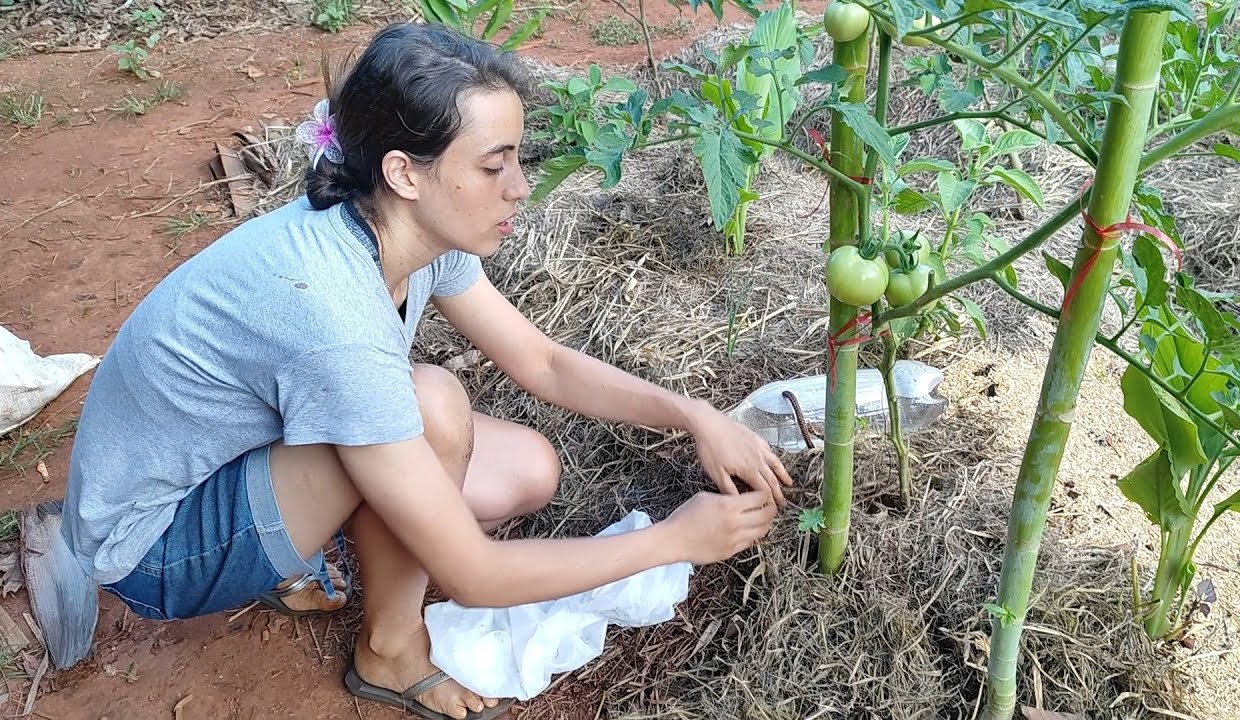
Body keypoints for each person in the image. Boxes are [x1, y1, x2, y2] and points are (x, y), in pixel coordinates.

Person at [60, 20, 791, 720]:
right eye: (492, 166)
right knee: (433, 403)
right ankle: (389, 651)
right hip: (159, 547)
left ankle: (325, 545)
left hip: (227, 457)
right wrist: (673, 540)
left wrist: (696, 414)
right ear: (406, 173)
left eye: (517, 161)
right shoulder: (335, 317)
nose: (519, 188)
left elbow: (540, 360)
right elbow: (474, 577)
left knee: (526, 471)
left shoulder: (400, 225)